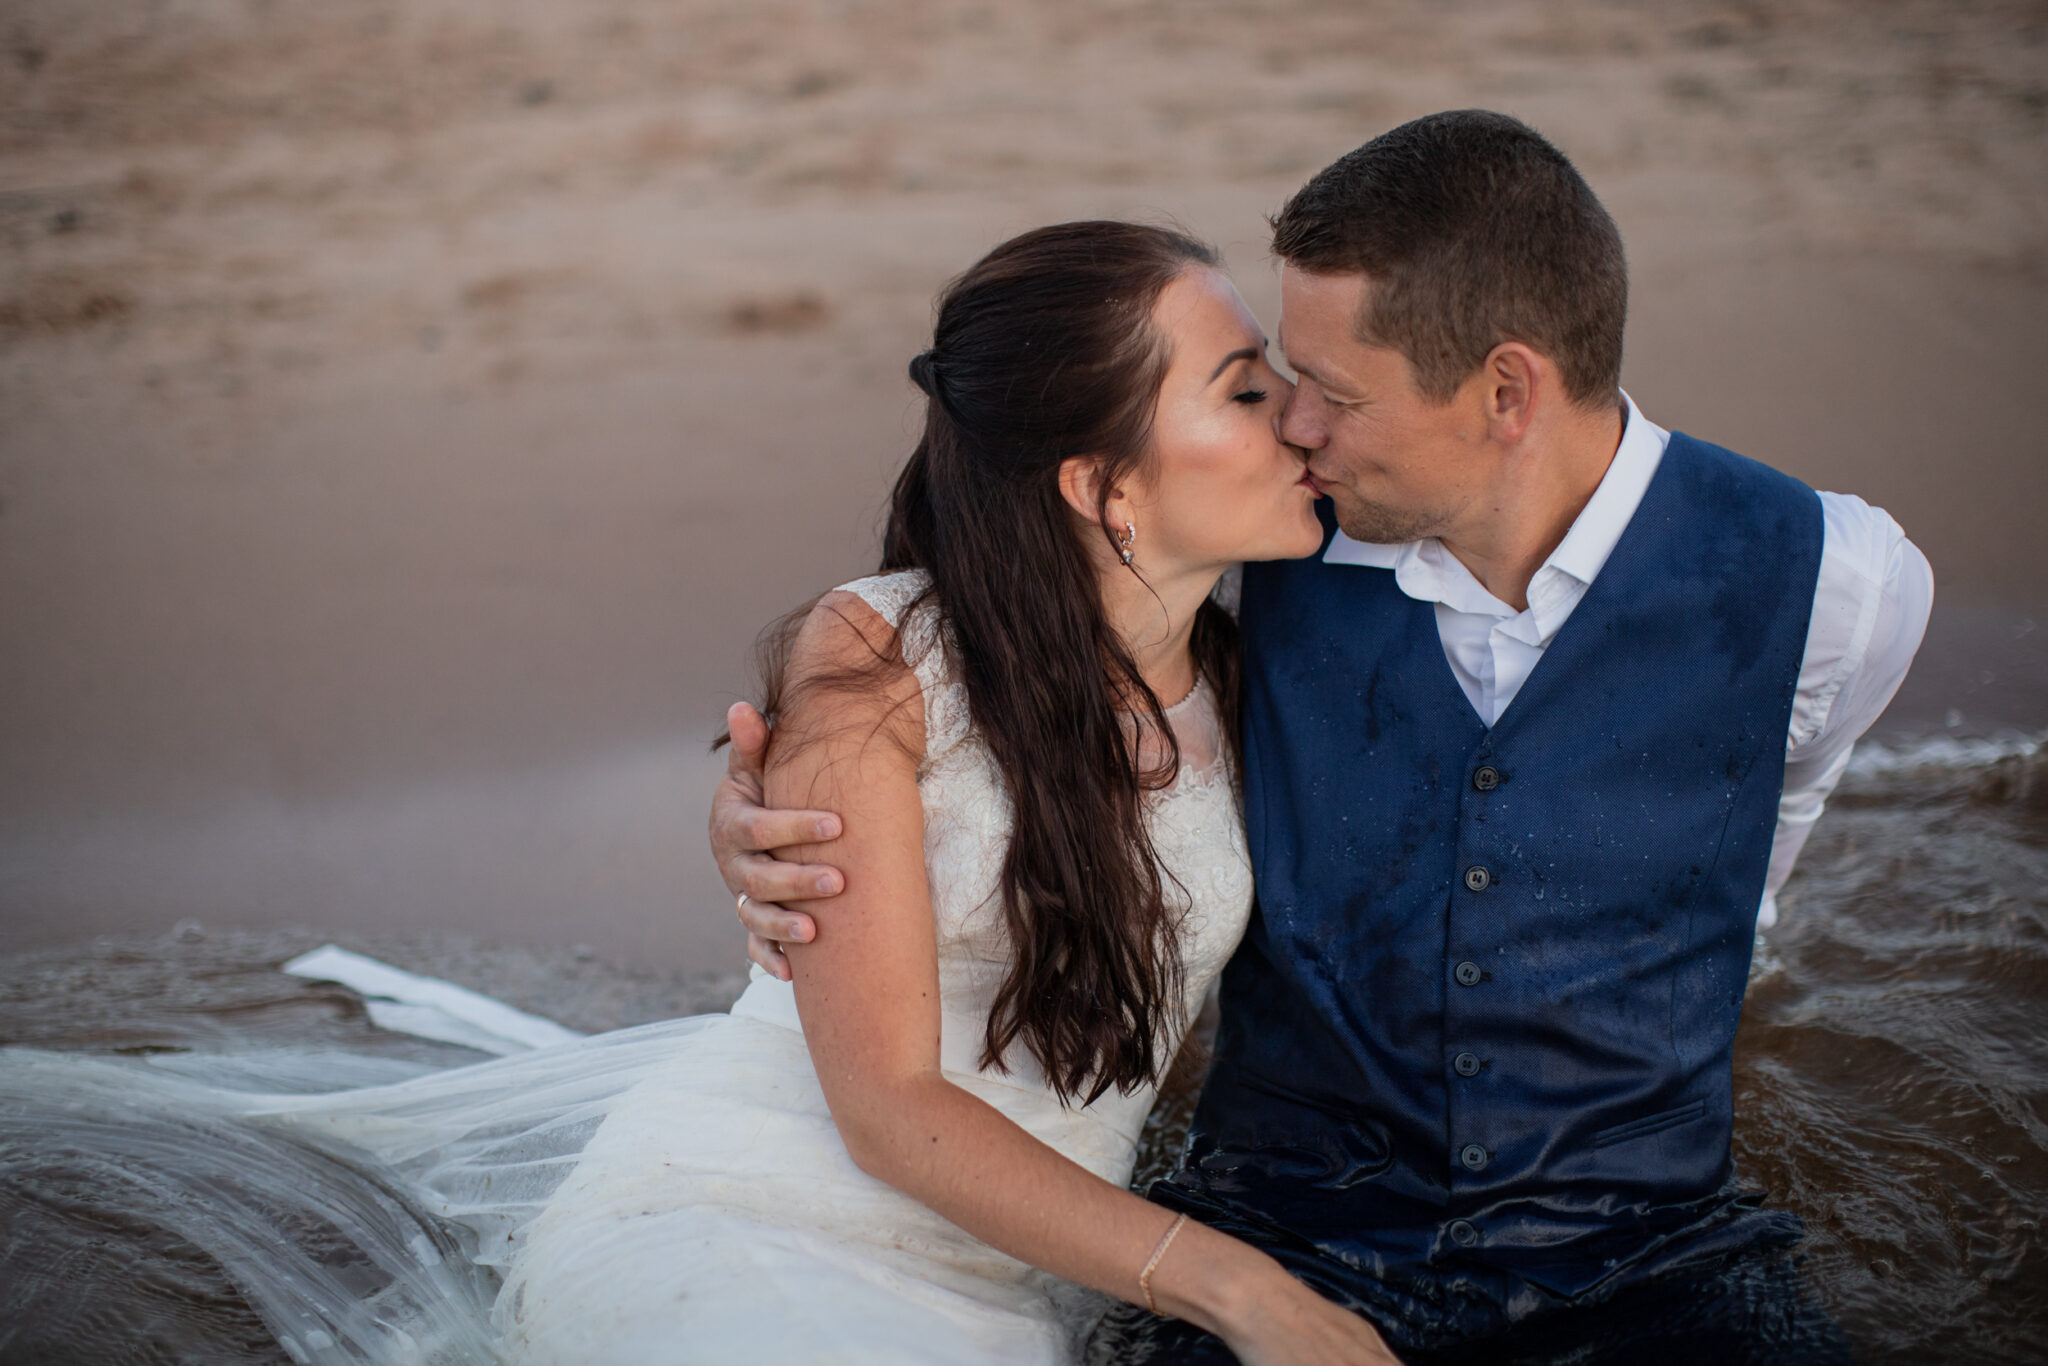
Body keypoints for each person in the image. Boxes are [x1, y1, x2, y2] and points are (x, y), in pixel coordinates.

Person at [0, 221, 1401, 1366]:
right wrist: (1232, 1287)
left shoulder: (1272, 655)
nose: (1302, 416)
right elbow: (891, 1106)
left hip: (1026, 1280)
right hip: (764, 1226)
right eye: (1243, 385)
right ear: (1102, 482)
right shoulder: (880, 654)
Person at [716, 112, 1933, 1364]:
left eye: (1329, 394)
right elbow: (1010, 664)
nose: (1294, 425)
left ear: (1505, 390)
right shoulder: (1258, 550)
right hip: (1285, 1227)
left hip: (1646, 1249)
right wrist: (792, 811)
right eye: (1268, 384)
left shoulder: (1837, 586)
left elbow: (1760, 841)